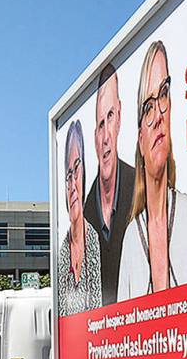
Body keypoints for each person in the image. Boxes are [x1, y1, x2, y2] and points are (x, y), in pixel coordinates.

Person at [118, 41, 187, 300]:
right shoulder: (131, 237)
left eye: (164, 94)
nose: (158, 115)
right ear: (140, 139)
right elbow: (122, 318)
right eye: (148, 107)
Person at [84, 63, 135, 305]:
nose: (105, 137)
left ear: (120, 117)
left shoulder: (141, 188)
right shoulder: (85, 214)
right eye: (100, 124)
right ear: (95, 136)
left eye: (110, 117)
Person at [56, 120, 103, 316]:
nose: (73, 183)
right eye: (68, 176)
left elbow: (98, 310)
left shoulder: (95, 241)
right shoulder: (63, 253)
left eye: (76, 169)